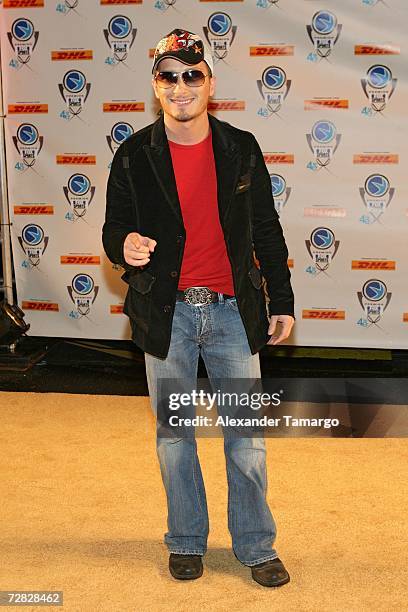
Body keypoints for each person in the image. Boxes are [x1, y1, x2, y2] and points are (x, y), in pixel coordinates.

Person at [102, 28, 295, 587]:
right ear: (155, 86)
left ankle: (256, 546)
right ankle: (186, 541)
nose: (181, 86)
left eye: (192, 75)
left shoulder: (241, 147)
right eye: (169, 77)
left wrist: (279, 300)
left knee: (247, 440)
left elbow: (266, 228)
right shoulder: (135, 153)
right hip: (169, 314)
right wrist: (124, 248)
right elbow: (116, 227)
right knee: (174, 437)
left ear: (210, 82)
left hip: (234, 312)